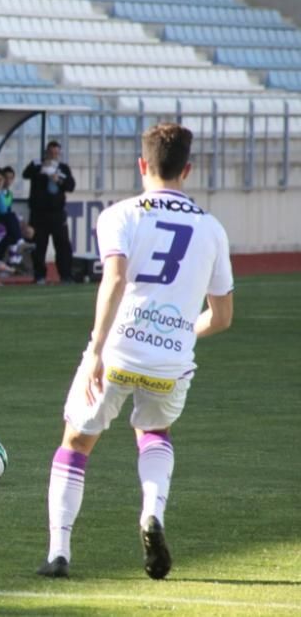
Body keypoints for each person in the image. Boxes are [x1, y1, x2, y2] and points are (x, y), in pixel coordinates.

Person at [37, 123, 234, 580]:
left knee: (77, 442)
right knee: (155, 430)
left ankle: (59, 552)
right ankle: (152, 514)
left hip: (119, 351)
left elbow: (116, 279)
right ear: (188, 169)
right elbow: (222, 317)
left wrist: (95, 349)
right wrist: (184, 331)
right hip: (170, 359)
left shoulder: (121, 215)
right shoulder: (212, 229)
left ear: (142, 165)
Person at [23, 140, 75, 284]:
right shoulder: (37, 164)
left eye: (56, 153)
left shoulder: (63, 168)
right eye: (51, 153)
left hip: (57, 213)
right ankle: (39, 275)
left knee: (63, 245)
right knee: (39, 245)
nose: (53, 156)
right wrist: (41, 169)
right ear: (46, 152)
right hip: (38, 213)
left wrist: (59, 180)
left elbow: (71, 186)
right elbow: (25, 174)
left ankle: (66, 275)